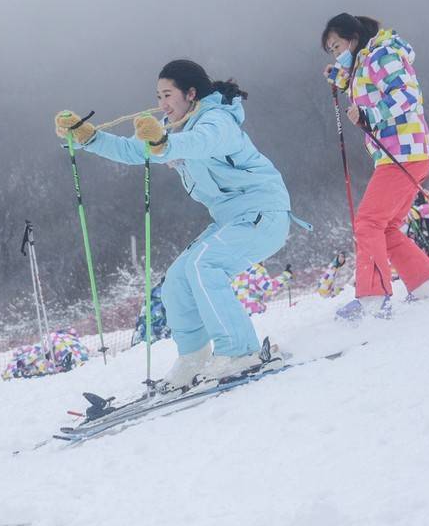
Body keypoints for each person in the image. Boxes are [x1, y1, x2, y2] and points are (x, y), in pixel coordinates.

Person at [55, 59, 297, 389]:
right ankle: (193, 358)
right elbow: (133, 150)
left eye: (167, 94)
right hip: (232, 222)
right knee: (176, 281)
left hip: (264, 214)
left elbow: (202, 143)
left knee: (203, 264)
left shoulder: (217, 121)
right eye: (158, 97)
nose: (161, 104)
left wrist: (165, 145)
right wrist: (89, 138)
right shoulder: (174, 131)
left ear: (191, 94)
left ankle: (241, 352)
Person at [321, 13, 429, 320]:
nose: (337, 54)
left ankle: (373, 300)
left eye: (338, 46)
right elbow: (363, 83)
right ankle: (426, 285)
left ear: (353, 37)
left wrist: (369, 115)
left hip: (402, 151)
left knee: (368, 222)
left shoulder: (382, 54)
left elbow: (407, 95)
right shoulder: (366, 61)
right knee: (386, 226)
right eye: (332, 51)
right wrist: (338, 76)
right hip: (403, 152)